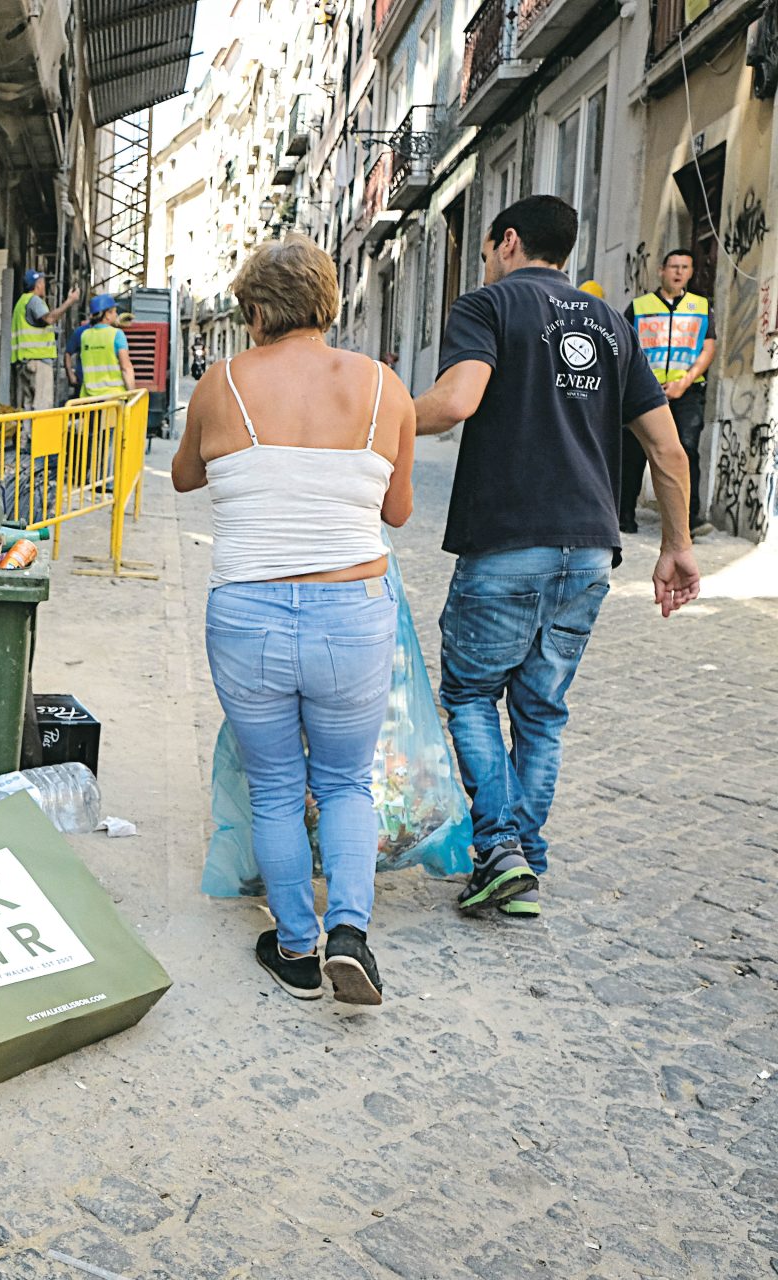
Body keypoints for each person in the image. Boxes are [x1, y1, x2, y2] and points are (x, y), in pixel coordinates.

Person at [414, 196, 701, 920]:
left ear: (507, 242)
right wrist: (677, 546)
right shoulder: (612, 324)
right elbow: (666, 448)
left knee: (472, 696)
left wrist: (366, 412)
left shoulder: (486, 306)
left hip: (508, 541)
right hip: (590, 552)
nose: (486, 262)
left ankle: (502, 851)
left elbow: (455, 402)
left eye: (486, 250)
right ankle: (523, 865)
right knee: (541, 713)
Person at [172, 236, 416, 1006]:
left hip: (248, 613)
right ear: (329, 299)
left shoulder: (222, 384)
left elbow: (183, 476)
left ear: (252, 311)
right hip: (354, 610)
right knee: (346, 783)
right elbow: (397, 510)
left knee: (276, 787)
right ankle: (349, 932)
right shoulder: (384, 387)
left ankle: (297, 948)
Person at [620, 249, 717, 537]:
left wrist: (684, 382)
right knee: (633, 451)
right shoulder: (640, 306)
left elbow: (708, 347)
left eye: (684, 267)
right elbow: (625, 346)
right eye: (673, 266)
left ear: (690, 272)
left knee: (686, 449)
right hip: (644, 389)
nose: (678, 272)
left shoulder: (701, 307)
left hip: (686, 390)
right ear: (661, 270)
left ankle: (689, 518)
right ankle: (624, 514)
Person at [11, 270, 80, 410]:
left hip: (24, 362)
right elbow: (49, 318)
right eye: (43, 283)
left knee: (28, 407)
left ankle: (27, 433)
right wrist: (70, 301)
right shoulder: (34, 301)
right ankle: (38, 433)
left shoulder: (21, 303)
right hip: (38, 362)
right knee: (42, 406)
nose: (44, 286)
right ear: (37, 285)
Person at [68, 295, 138, 398]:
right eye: (114, 312)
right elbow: (125, 368)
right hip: (113, 400)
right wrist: (133, 396)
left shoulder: (85, 336)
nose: (116, 315)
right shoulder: (117, 335)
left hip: (88, 400)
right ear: (107, 315)